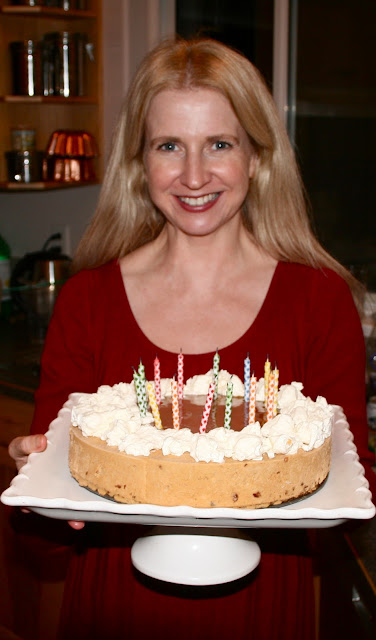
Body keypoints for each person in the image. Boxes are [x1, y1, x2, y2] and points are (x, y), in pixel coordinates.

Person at [8, 37, 375, 640]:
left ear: (258, 158)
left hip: (263, 612)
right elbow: (45, 546)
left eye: (221, 144)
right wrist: (33, 488)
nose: (194, 175)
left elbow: (346, 497)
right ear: (140, 162)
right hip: (112, 609)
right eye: (169, 146)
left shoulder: (319, 302)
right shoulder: (89, 302)